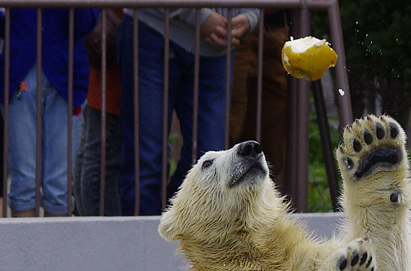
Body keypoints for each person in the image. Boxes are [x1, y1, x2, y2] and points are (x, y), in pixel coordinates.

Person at [117, 7, 259, 216]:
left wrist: (251, 15)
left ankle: (170, 231)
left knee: (210, 164)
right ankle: (140, 242)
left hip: (216, 49)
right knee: (145, 161)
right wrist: (197, 15)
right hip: (153, 29)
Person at [0, 7, 98, 217]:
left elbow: (85, 24)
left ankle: (57, 250)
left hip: (65, 76)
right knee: (23, 182)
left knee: (59, 187)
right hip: (20, 71)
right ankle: (23, 249)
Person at [229, 10, 289, 185]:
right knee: (227, 132)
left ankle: (255, 207)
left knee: (271, 151)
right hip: (234, 21)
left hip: (277, 22)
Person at [74, 9, 124, 216]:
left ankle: (90, 224)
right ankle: (100, 227)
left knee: (91, 153)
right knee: (100, 158)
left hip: (104, 63)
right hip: (111, 70)